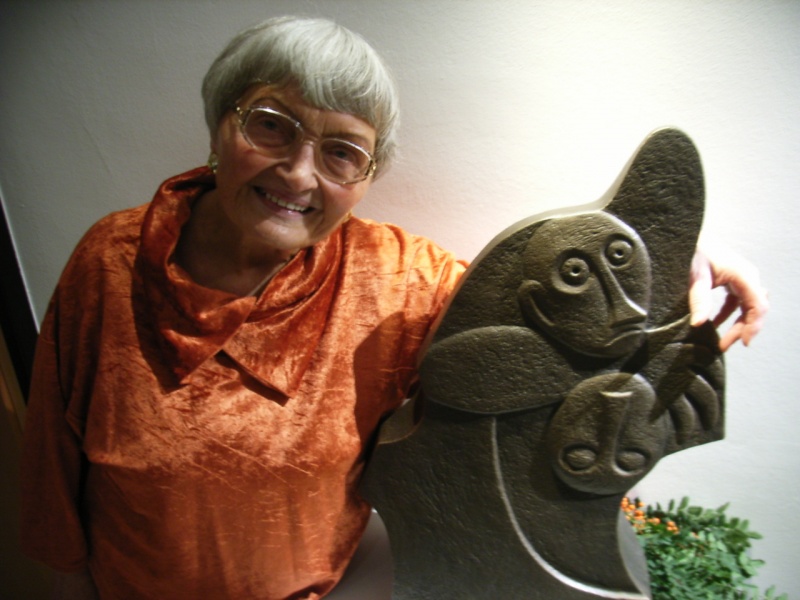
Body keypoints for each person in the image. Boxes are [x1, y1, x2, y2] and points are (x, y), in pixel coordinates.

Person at [19, 15, 768, 600]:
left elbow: (537, 305)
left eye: (342, 152)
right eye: (271, 123)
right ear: (221, 124)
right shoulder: (112, 258)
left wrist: (677, 258)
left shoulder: (393, 278)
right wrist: (66, 583)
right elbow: (53, 453)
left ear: (367, 176)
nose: (299, 172)